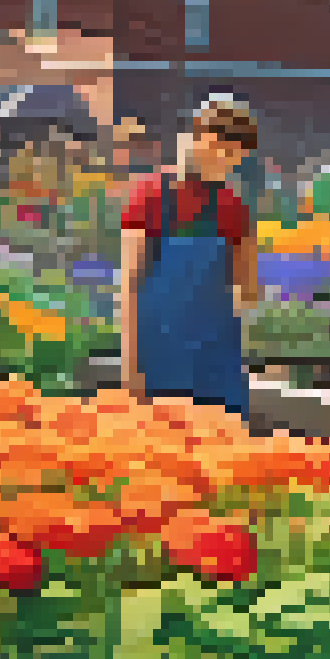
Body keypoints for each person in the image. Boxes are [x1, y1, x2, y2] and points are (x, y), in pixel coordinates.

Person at [117, 96, 260, 418]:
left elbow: (247, 289)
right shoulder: (149, 195)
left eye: (235, 157)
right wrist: (130, 368)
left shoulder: (233, 207)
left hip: (215, 359)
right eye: (224, 151)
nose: (228, 162)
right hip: (158, 358)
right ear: (198, 137)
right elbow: (129, 286)